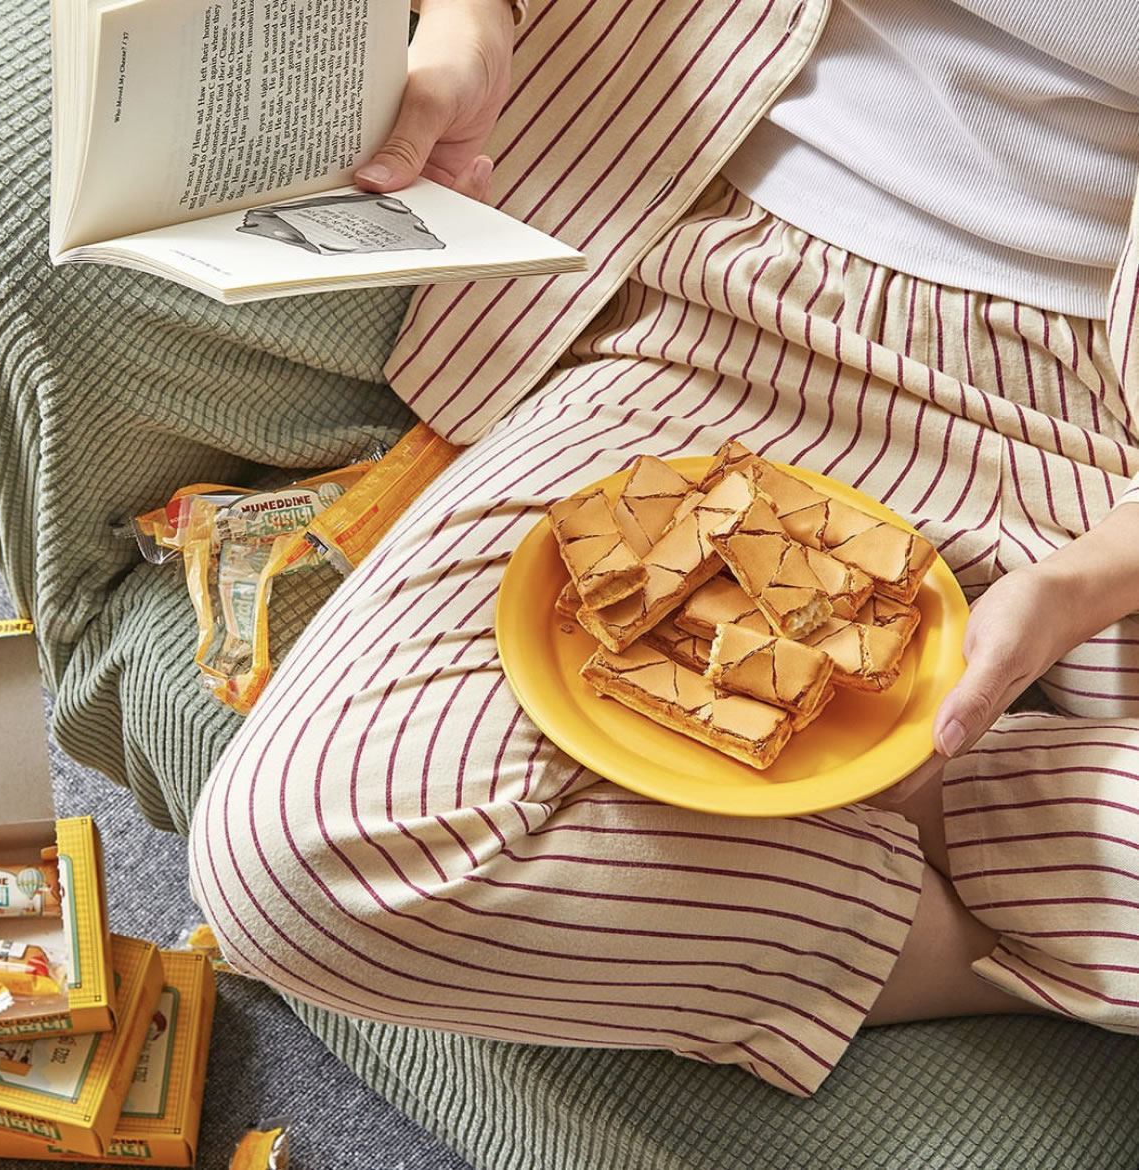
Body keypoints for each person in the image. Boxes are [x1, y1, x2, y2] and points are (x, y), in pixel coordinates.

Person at [188, 0, 1139, 1097]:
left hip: (1096, 443)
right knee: (303, 863)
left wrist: (1078, 585)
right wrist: (468, 25)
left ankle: (963, 816)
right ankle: (990, 924)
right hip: (723, 309)